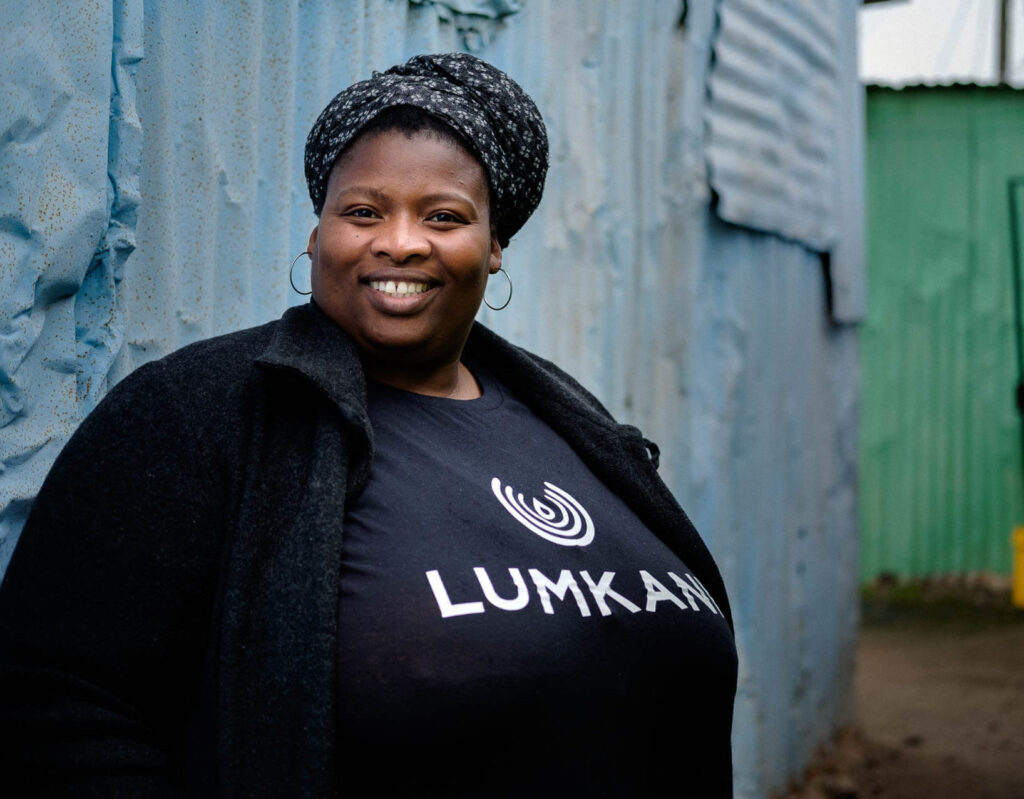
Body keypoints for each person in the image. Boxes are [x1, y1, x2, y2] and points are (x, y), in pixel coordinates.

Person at [0, 53, 737, 797]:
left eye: (444, 216)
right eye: (363, 211)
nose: (401, 242)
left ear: (495, 247)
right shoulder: (195, 414)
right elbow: (58, 704)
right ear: (318, 234)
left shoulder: (575, 424)